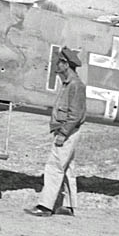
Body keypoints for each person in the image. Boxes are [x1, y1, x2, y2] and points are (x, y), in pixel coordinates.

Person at [26, 47, 87, 217]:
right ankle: (68, 206)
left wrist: (63, 134)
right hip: (67, 131)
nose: (56, 65)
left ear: (66, 64)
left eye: (59, 62)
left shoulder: (75, 86)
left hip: (67, 132)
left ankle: (45, 207)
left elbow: (75, 115)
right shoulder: (69, 83)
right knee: (67, 168)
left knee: (54, 167)